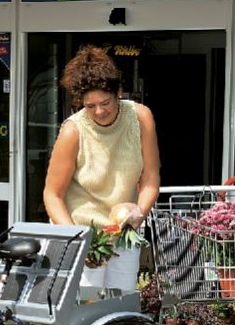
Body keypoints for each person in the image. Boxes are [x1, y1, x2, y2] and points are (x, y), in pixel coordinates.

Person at [43, 44, 160, 293]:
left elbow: (150, 177)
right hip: (82, 231)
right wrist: (76, 239)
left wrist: (139, 211)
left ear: (118, 91)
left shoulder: (140, 117)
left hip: (124, 231)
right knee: (86, 307)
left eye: (105, 102)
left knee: (122, 302)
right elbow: (52, 195)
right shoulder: (73, 131)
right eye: (89, 105)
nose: (99, 111)